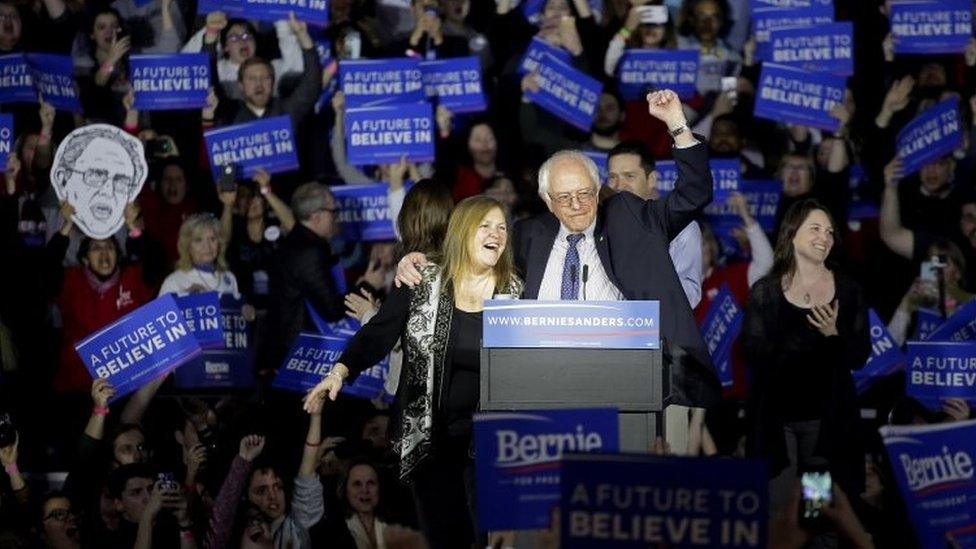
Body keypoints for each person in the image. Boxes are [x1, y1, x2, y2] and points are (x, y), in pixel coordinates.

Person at [398, 90, 720, 408]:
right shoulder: (526, 236)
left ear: (598, 189)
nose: (577, 205)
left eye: (585, 194)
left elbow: (693, 194)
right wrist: (424, 262)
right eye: (564, 198)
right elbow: (473, 262)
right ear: (547, 202)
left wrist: (677, 123)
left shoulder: (630, 219)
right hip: (541, 384)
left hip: (628, 377)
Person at [304, 196, 522, 548]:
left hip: (490, 443)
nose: (495, 233)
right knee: (445, 536)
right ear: (463, 232)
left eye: (501, 227)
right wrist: (339, 373)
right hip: (429, 439)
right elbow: (378, 333)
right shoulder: (425, 281)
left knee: (485, 537)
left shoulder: (516, 292)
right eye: (485, 225)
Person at [741, 199, 870, 513]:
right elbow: (754, 352)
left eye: (829, 232)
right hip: (776, 426)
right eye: (815, 228)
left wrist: (831, 336)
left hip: (825, 429)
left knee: (818, 513)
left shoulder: (849, 291)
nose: (824, 237)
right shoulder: (765, 292)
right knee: (779, 512)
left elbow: (859, 356)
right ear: (792, 233)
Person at [606, 139, 703, 307]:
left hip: (654, 327)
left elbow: (690, 296)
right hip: (607, 325)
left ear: (651, 179)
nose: (619, 186)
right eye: (613, 177)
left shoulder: (682, 225)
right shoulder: (600, 223)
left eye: (629, 176)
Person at [269, 182, 345, 358]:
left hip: (295, 348)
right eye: (333, 212)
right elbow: (331, 309)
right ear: (316, 217)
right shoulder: (309, 251)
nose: (336, 217)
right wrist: (368, 284)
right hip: (302, 352)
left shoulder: (296, 241)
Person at [321, 459, 389, 548]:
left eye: (371, 483)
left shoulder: (397, 523)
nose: (365, 490)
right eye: (357, 484)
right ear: (345, 490)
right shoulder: (331, 534)